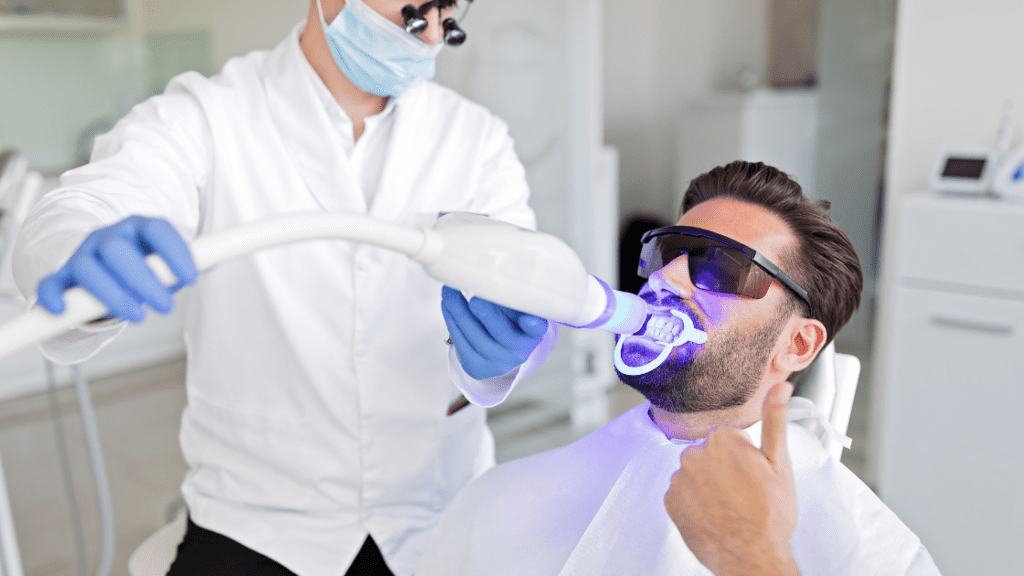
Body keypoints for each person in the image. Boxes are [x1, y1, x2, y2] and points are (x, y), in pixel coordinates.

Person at [12, 1, 554, 575]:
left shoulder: (477, 137)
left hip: (438, 509)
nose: (434, 30)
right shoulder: (207, 112)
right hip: (257, 518)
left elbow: (523, 286)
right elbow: (84, 206)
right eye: (414, 10)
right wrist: (79, 251)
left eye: (447, 10)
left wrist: (512, 351)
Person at [416, 160, 942, 576]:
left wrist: (754, 559)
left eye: (721, 267)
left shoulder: (872, 550)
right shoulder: (500, 502)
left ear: (798, 344)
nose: (667, 279)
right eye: (669, 252)